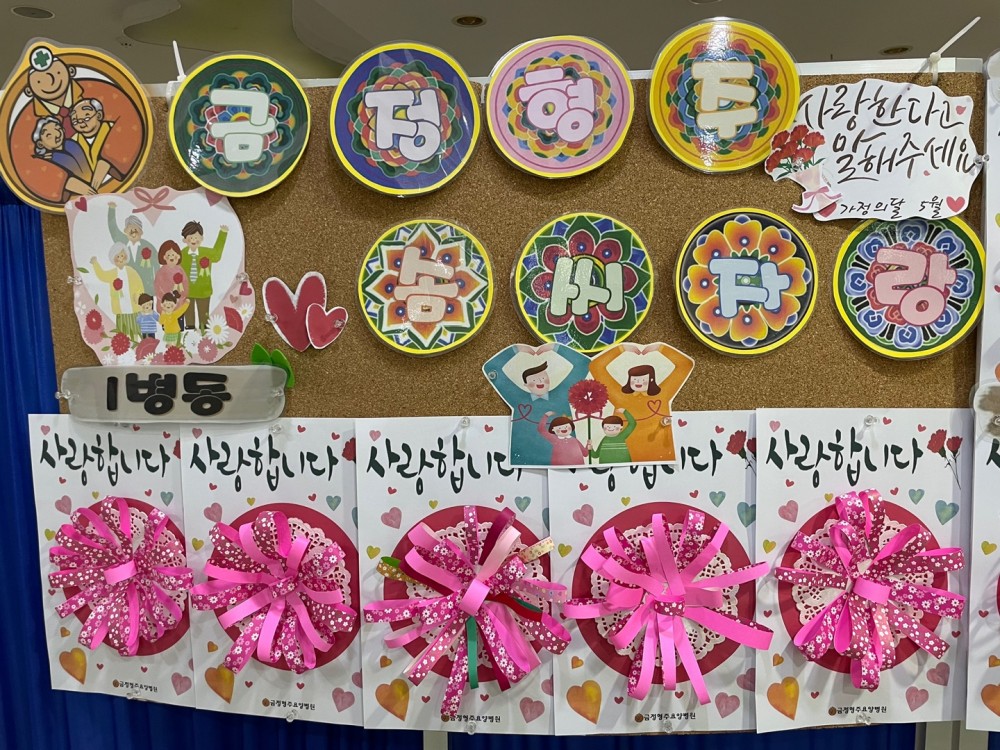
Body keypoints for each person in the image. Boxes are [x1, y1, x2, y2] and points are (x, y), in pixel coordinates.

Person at [7, 44, 146, 206]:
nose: (51, 81)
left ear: (70, 71)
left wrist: (107, 162)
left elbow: (129, 118)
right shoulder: (26, 120)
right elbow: (24, 163)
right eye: (39, 80)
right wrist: (68, 182)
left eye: (57, 73)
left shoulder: (99, 90)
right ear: (29, 91)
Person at [483, 342, 592, 466]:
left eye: (544, 378)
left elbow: (583, 365)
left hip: (568, 460)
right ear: (525, 384)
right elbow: (492, 370)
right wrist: (515, 350)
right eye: (534, 380)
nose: (540, 382)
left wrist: (556, 348)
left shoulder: (563, 394)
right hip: (526, 459)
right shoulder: (516, 397)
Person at [589, 343, 694, 462]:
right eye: (634, 379)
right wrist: (621, 348)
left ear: (651, 380)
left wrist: (660, 348)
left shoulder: (663, 393)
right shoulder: (619, 396)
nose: (638, 382)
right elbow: (596, 366)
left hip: (659, 450)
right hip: (625, 452)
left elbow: (685, 364)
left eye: (643, 379)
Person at [179, 220, 228, 330]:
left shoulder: (206, 252)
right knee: (189, 317)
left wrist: (223, 233)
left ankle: (204, 332)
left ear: (202, 239)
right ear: (184, 240)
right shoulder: (182, 253)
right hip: (187, 291)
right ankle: (190, 330)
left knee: (204, 318)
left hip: (203, 291)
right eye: (190, 238)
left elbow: (217, 254)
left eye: (196, 237)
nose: (193, 240)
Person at [30, 116, 94, 201]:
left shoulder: (71, 144)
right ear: (40, 144)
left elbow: (86, 175)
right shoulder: (45, 162)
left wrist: (58, 156)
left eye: (58, 129)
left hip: (90, 189)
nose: (57, 135)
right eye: (49, 135)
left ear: (63, 130)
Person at [91, 242, 143, 341]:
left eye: (122, 256)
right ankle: (126, 345)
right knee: (123, 331)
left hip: (133, 306)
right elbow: (102, 275)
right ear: (113, 258)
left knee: (135, 330)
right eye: (117, 256)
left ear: (126, 256)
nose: (120, 259)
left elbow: (139, 284)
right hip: (120, 308)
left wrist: (138, 295)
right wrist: (95, 264)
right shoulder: (112, 273)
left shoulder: (131, 271)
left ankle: (136, 343)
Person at [70, 98, 126, 189]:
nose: (81, 123)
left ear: (99, 115)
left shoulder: (113, 130)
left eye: (86, 118)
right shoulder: (73, 141)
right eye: (75, 121)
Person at [108, 203, 156, 293]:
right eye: (130, 230)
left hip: (147, 287)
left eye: (136, 230)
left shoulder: (149, 247)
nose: (133, 233)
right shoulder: (122, 244)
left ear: (141, 231)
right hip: (129, 287)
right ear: (125, 231)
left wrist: (156, 286)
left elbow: (156, 266)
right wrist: (112, 209)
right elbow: (113, 229)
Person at [154, 240, 190, 320]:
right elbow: (157, 288)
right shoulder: (161, 272)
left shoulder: (180, 270)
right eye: (168, 255)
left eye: (173, 255)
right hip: (165, 306)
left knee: (179, 324)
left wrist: (180, 296)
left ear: (178, 256)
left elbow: (185, 285)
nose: (171, 257)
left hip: (179, 304)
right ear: (164, 257)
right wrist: (166, 299)